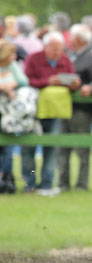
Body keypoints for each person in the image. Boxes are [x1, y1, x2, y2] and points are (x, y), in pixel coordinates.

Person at [22, 31, 78, 195]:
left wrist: (73, 83)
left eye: (59, 49)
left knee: (52, 147)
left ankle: (46, 184)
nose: (56, 52)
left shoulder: (65, 60)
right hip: (33, 108)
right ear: (45, 47)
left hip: (56, 110)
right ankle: (29, 184)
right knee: (29, 145)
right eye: (53, 48)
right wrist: (47, 82)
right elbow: (26, 81)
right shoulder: (34, 58)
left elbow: (71, 79)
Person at [58, 24, 92, 193]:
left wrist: (89, 88)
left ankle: (81, 184)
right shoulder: (69, 54)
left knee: (82, 149)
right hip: (63, 106)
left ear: (78, 39)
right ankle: (63, 183)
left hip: (82, 110)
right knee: (62, 146)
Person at [0, 40, 28, 193]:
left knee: (9, 147)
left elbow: (23, 81)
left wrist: (10, 86)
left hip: (10, 114)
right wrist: (4, 86)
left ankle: (6, 178)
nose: (15, 56)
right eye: (12, 53)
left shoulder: (12, 66)